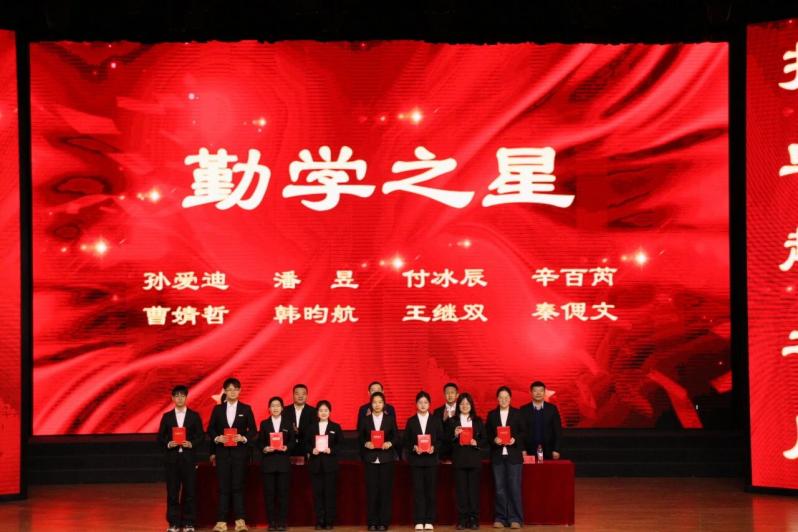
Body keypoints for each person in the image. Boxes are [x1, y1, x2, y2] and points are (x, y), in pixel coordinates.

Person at [207, 378, 258, 532]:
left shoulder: (246, 409)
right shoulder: (218, 409)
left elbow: (253, 430)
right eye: (229, 389)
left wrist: (243, 438)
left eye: (235, 389)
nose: (232, 392)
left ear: (239, 390)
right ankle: (221, 521)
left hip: (239, 454)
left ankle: (240, 521)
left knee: (238, 487)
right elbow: (211, 429)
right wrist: (217, 438)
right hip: (222, 453)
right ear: (225, 391)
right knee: (223, 487)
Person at [157, 385, 205, 532]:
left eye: (182, 396)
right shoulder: (167, 416)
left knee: (190, 492)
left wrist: (191, 443)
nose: (179, 398)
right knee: (172, 493)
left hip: (188, 459)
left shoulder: (194, 416)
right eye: (176, 396)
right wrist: (168, 443)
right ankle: (173, 523)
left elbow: (201, 436)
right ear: (172, 398)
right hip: (172, 460)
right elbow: (160, 437)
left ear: (186, 398)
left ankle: (189, 523)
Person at [358, 391, 400, 531]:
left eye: (380, 402)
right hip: (370, 459)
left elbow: (396, 437)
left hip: (386, 459)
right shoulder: (365, 420)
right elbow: (360, 438)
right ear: (371, 404)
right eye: (374, 402)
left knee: (385, 492)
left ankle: (383, 522)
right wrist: (366, 443)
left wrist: (389, 443)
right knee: (371, 492)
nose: (377, 405)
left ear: (384, 404)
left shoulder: (390, 419)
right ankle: (372, 522)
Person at [404, 391, 444, 531]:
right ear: (416, 404)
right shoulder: (411, 421)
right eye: (420, 402)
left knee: (430, 491)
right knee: (418, 491)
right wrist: (414, 447)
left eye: (425, 402)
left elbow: (441, 440)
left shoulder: (436, 420)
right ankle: (419, 520)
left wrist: (434, 447)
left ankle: (429, 520)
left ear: (429, 404)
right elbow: (406, 441)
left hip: (431, 461)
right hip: (416, 461)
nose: (423, 405)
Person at [486, 386, 525, 529]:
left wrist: (515, 439)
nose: (503, 400)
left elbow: (524, 432)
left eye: (506, 397)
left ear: (510, 399)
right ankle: (501, 517)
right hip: (498, 456)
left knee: (514, 487)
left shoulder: (518, 413)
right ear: (497, 399)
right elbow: (487, 434)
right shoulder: (492, 415)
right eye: (501, 397)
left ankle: (516, 518)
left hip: (513, 456)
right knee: (499, 488)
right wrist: (494, 439)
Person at [447, 393, 487, 530]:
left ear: (471, 405)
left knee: (473, 491)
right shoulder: (452, 421)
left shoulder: (478, 421)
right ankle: (462, 520)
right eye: (462, 404)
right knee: (461, 492)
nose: (465, 406)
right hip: (459, 460)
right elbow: (446, 441)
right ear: (458, 406)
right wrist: (454, 435)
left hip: (474, 460)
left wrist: (477, 442)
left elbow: (485, 440)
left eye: (467, 404)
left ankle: (474, 519)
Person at [305, 400, 343, 530]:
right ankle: (319, 520)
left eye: (326, 410)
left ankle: (329, 521)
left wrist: (331, 450)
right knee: (317, 494)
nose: (323, 413)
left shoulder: (335, 427)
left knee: (330, 494)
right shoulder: (311, 427)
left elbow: (341, 444)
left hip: (330, 466)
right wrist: (312, 450)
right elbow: (306, 444)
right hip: (315, 465)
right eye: (321, 410)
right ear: (317, 412)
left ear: (330, 412)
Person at [259, 397, 295, 531]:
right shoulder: (264, 424)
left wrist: (287, 447)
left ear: (282, 408)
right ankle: (272, 522)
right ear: (269, 408)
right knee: (269, 495)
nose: (275, 408)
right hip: (268, 464)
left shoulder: (287, 423)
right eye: (273, 406)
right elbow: (260, 442)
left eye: (278, 405)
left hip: (283, 464)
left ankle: (282, 522)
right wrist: (265, 448)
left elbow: (292, 441)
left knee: (283, 495)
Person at [520, 381, 562, 460]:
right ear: (531, 392)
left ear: (544, 392)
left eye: (541, 391)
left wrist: (556, 449)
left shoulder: (552, 409)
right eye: (535, 391)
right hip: (529, 450)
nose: (538, 393)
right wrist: (522, 449)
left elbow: (558, 431)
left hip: (549, 450)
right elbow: (520, 432)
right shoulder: (523, 410)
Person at [283, 384, 317, 457]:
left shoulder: (313, 411)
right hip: (287, 448)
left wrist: (299, 431)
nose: (300, 396)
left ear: (307, 395)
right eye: (297, 393)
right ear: (293, 395)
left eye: (303, 394)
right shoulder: (285, 410)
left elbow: (314, 431)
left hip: (306, 448)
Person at [432, 383, 459, 460]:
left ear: (457, 395)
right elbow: (435, 432)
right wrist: (443, 420)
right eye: (447, 393)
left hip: (458, 450)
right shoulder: (437, 412)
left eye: (452, 392)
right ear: (444, 395)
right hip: (442, 450)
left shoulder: (463, 409)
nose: (450, 395)